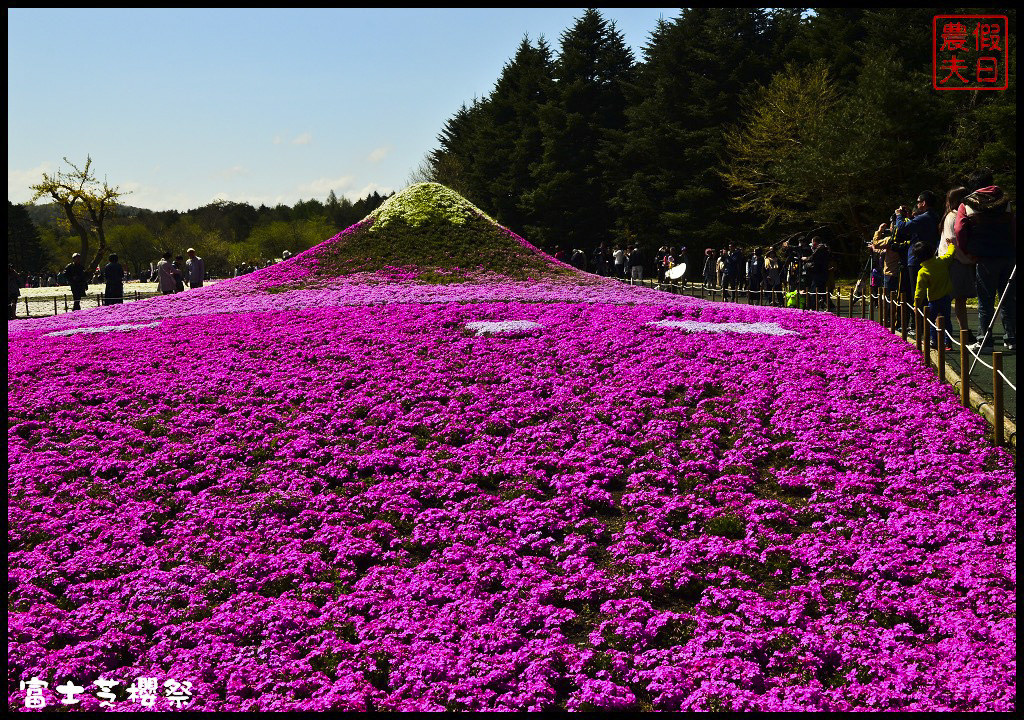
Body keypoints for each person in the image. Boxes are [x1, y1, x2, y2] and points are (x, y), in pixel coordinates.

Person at [955, 169, 1016, 353]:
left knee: (986, 300)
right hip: (1008, 255)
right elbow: (1014, 228)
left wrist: (967, 250)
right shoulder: (1005, 202)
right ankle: (1012, 338)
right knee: (1008, 298)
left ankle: (985, 341)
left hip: (983, 257)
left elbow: (959, 230)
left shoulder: (967, 204)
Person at [913, 240, 955, 350]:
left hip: (933, 300)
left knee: (931, 322)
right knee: (947, 321)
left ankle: (934, 341)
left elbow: (919, 291)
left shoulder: (923, 272)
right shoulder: (942, 262)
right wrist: (951, 246)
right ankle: (948, 343)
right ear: (932, 251)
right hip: (946, 298)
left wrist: (916, 305)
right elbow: (950, 254)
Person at [805, 236, 832, 310]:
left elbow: (813, 257)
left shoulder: (820, 248)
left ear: (815, 242)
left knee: (814, 290)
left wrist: (806, 258)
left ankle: (812, 307)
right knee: (822, 290)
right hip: (823, 272)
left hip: (819, 272)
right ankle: (829, 305)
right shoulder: (824, 248)